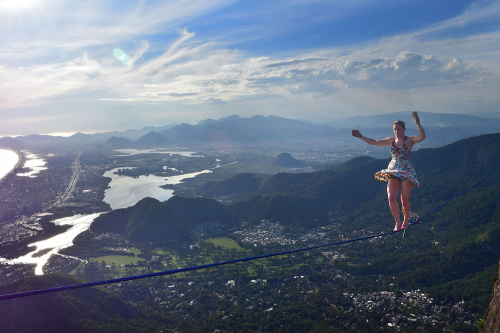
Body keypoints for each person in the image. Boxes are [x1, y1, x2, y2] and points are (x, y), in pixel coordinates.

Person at [351, 111, 426, 232]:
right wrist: (361, 136)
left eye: (399, 129)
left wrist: (418, 122)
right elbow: (374, 142)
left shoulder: (409, 140)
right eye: (395, 129)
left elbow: (422, 137)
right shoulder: (390, 140)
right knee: (391, 197)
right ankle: (397, 222)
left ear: (404, 129)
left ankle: (406, 219)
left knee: (404, 199)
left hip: (406, 169)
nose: (397, 131)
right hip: (393, 169)